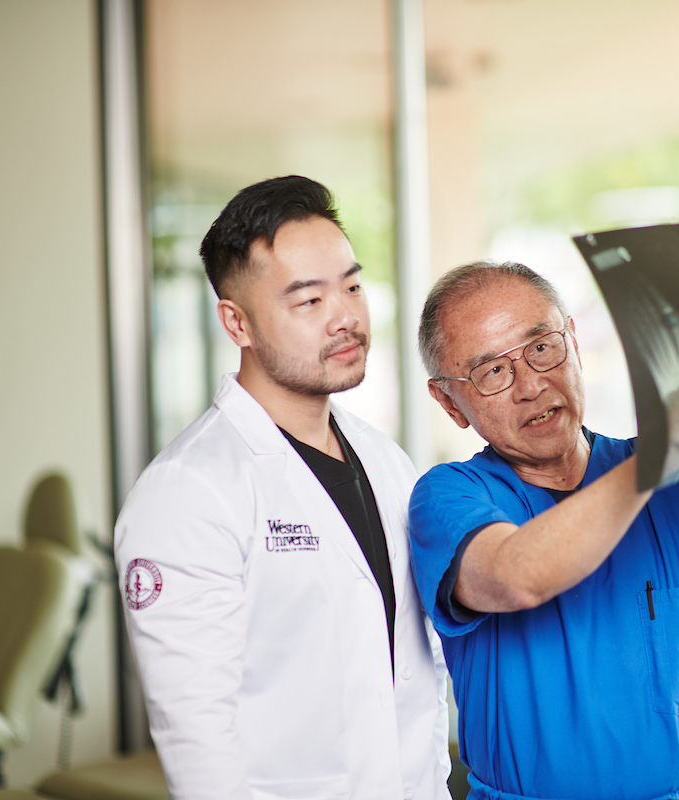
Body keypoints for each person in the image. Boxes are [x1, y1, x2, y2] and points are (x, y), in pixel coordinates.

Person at [408, 261, 679, 800]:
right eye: (492, 371)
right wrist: (664, 452)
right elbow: (517, 575)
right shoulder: (449, 497)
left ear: (575, 344)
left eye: (541, 347)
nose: (531, 385)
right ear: (450, 403)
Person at [115, 176, 450, 800]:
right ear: (236, 322)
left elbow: (415, 678)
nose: (346, 316)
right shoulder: (188, 491)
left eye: (351, 286)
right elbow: (197, 739)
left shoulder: (385, 460)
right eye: (309, 301)